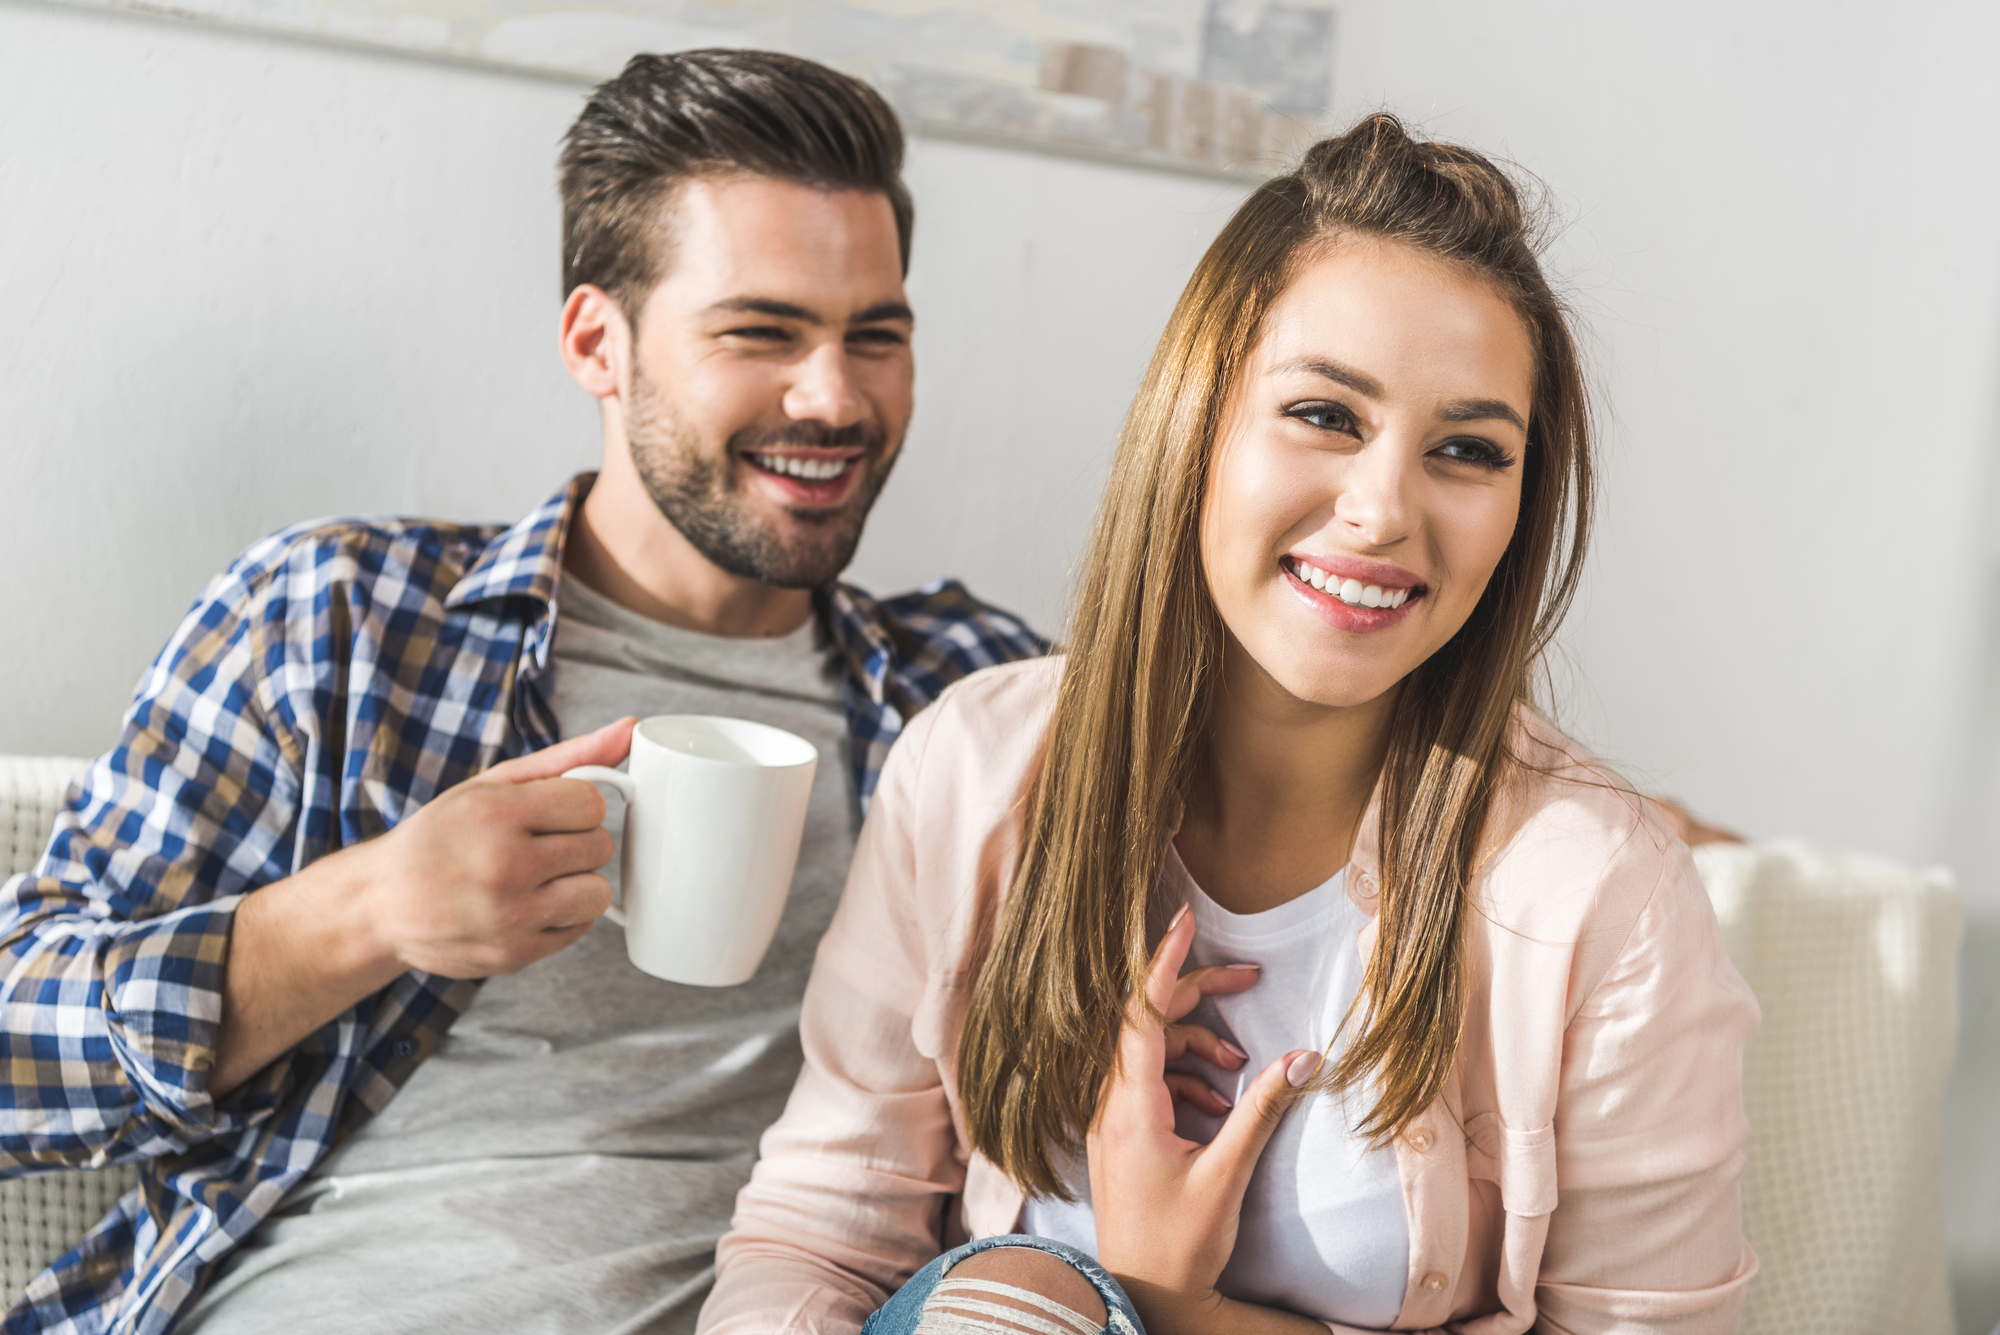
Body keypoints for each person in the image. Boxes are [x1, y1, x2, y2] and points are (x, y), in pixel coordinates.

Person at [0, 49, 1043, 1335]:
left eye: (874, 336)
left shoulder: (979, 698)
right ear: (596, 341)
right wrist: (366, 911)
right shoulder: (336, 620)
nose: (833, 397)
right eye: (759, 331)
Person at [703, 114, 1761, 1335]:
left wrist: (1163, 1304)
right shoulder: (971, 766)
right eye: (1323, 414)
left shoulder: (1603, 901)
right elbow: (815, 1232)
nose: (1379, 510)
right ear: (1195, 424)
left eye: (1466, 450)